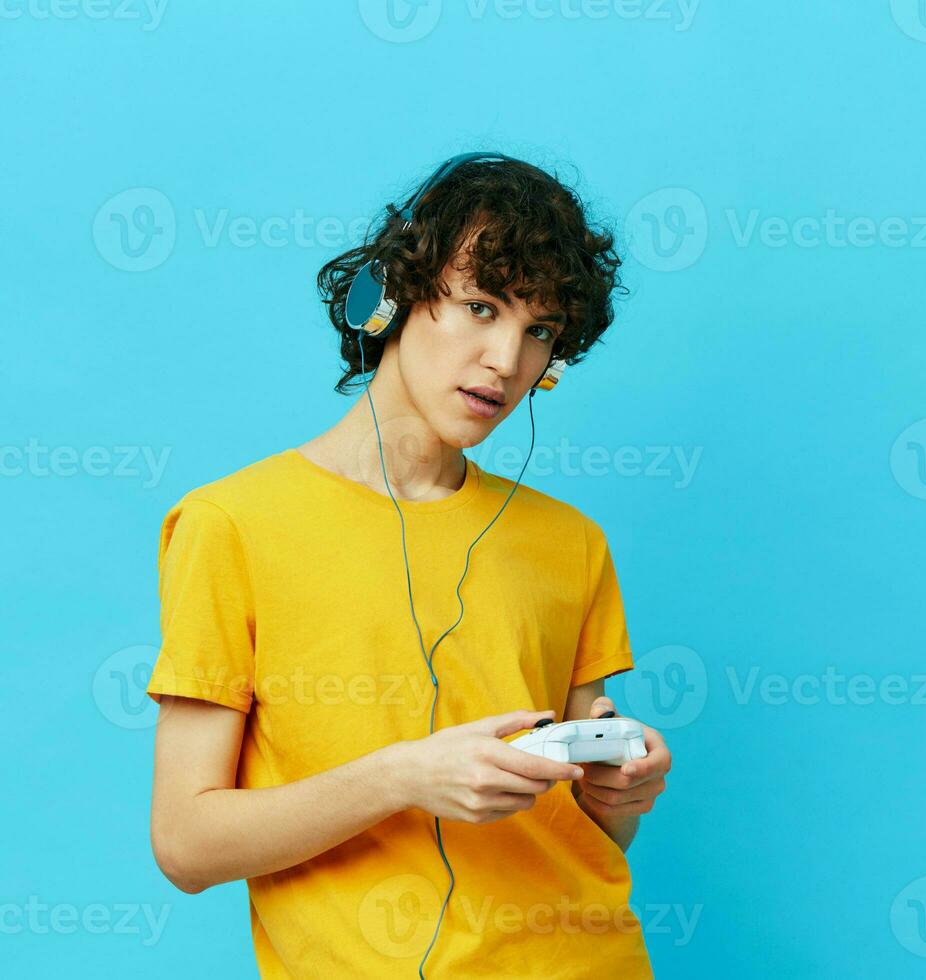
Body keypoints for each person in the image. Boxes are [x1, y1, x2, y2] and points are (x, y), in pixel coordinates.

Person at [145, 153, 670, 978]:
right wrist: (402, 778)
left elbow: (583, 832)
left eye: (539, 330)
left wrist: (616, 796)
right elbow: (184, 844)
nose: (506, 359)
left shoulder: (572, 543)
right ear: (390, 297)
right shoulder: (231, 527)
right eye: (480, 306)